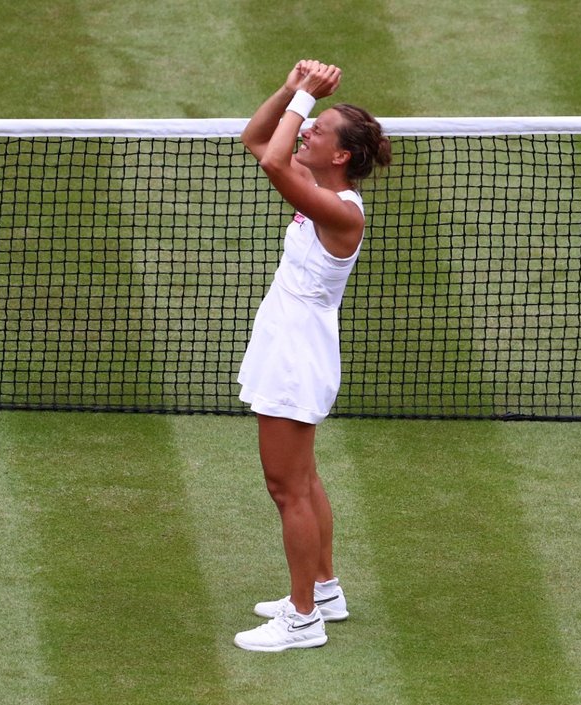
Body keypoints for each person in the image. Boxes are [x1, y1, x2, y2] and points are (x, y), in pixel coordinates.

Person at [233, 60, 392, 652]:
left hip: (296, 356)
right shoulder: (319, 186)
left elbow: (273, 158)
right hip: (289, 343)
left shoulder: (341, 212)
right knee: (303, 480)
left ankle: (302, 620)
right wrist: (287, 90)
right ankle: (324, 589)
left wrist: (302, 96)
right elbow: (257, 139)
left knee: (288, 489)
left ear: (341, 156)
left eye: (318, 131)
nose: (306, 133)